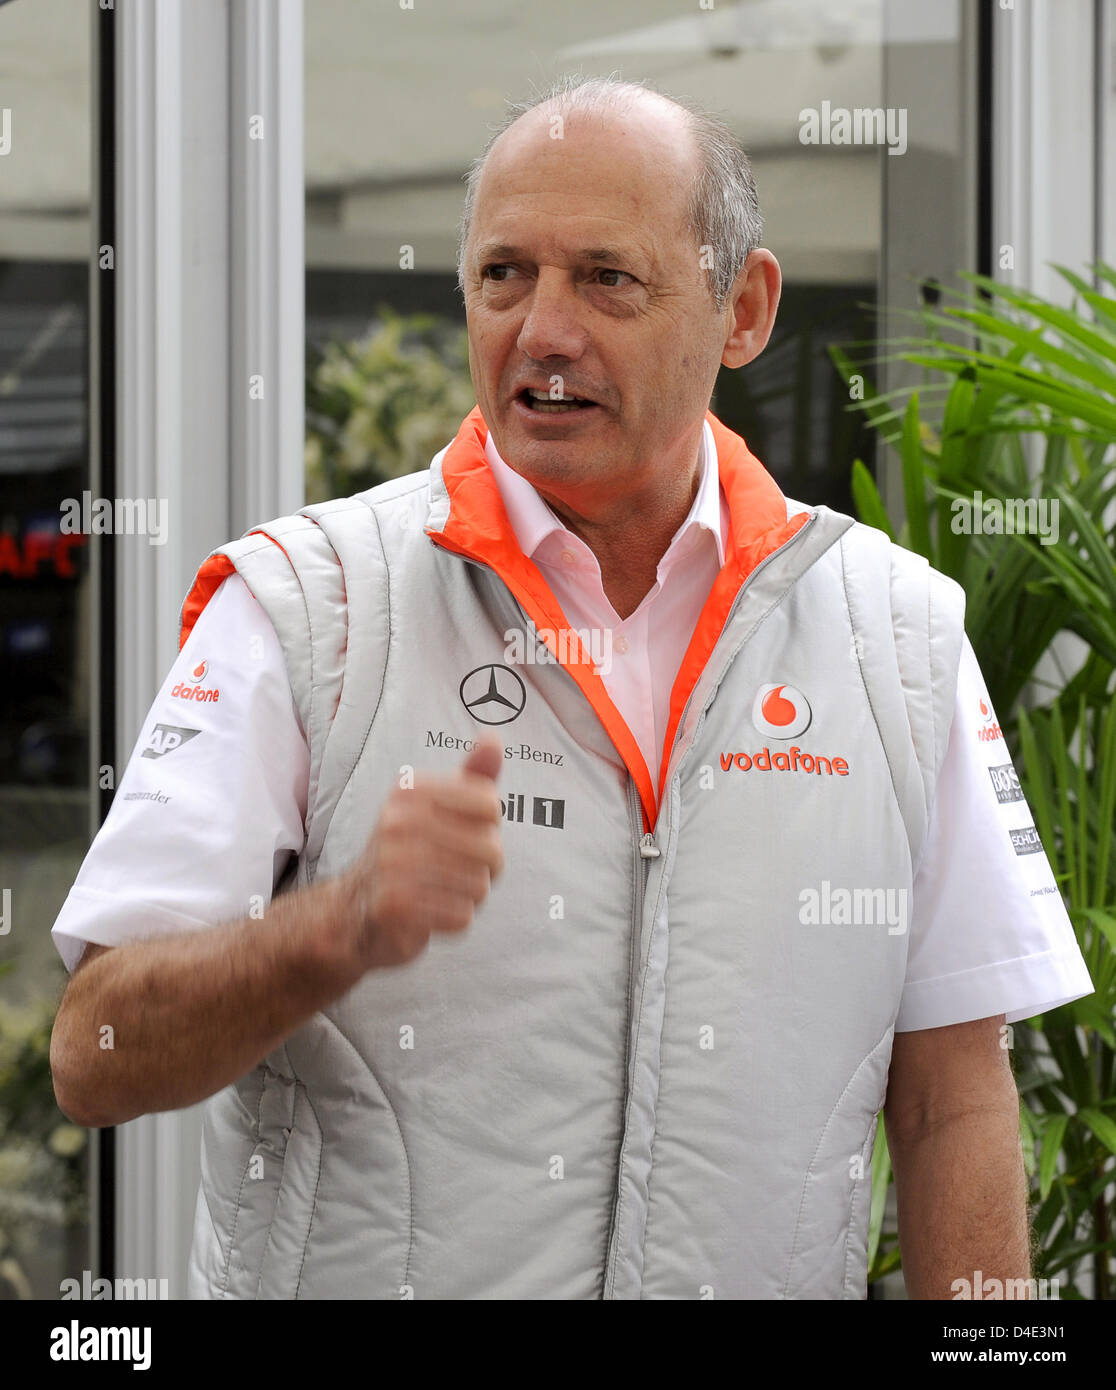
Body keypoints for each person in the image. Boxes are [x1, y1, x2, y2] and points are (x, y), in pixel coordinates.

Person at [50, 75, 1092, 1300]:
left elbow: (952, 1096)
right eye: (504, 276)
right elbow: (94, 1052)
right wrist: (330, 930)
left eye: (606, 276)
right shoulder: (306, 605)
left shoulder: (896, 632)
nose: (542, 329)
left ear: (743, 307)